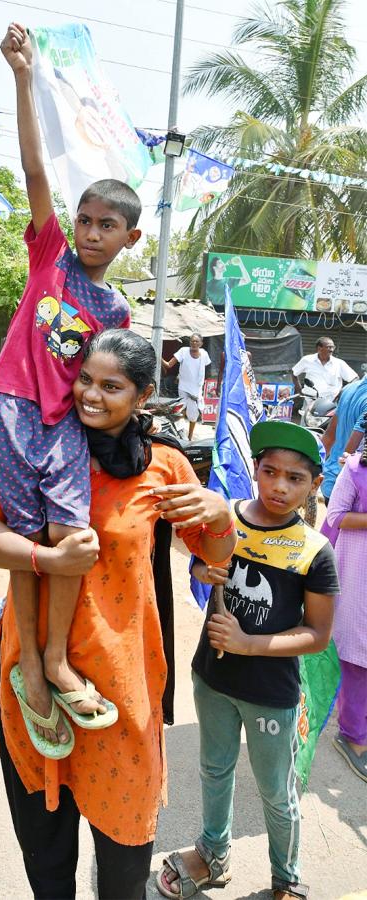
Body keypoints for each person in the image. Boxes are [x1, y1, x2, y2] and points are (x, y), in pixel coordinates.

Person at [0, 329, 237, 900]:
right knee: (47, 864)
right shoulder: (38, 446)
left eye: (112, 386)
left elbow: (213, 554)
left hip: (119, 692)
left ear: (142, 397)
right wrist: (45, 555)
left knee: (123, 871)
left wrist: (219, 513)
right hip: (30, 679)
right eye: (85, 379)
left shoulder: (164, 466)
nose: (91, 394)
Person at [0, 23, 143, 736]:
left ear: (130, 237)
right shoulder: (50, 255)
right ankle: (28, 661)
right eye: (84, 219)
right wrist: (22, 74)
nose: (90, 230)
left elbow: (112, 386)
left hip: (63, 424)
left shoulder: (116, 309)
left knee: (71, 538)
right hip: (13, 407)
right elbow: (34, 170)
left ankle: (54, 658)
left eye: (106, 224)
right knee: (26, 543)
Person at [157, 420, 339, 900]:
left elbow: (318, 635)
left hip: (270, 693)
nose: (280, 486)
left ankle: (286, 877)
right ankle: (213, 854)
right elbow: (197, 560)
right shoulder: (227, 518)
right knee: (214, 770)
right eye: (270, 471)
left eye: (295, 478)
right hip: (212, 677)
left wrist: (251, 644)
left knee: (276, 792)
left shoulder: (314, 551)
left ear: (314, 485)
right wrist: (202, 566)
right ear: (254, 470)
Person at [322, 431, 367, 783]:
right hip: (356, 572)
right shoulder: (354, 469)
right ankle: (352, 737)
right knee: (356, 655)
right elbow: (336, 516)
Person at [321, 374, 367, 503]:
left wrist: (313, 469)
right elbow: (349, 453)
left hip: (330, 482)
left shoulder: (349, 388)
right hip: (351, 491)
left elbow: (329, 436)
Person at [162, 334, 211, 440]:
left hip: (196, 389)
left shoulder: (204, 354)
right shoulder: (183, 351)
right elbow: (168, 365)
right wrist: (158, 355)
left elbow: (205, 368)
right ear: (190, 342)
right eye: (192, 341)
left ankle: (189, 436)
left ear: (201, 343)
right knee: (180, 411)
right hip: (183, 387)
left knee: (193, 415)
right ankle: (181, 434)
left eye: (197, 341)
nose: (194, 343)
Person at [292, 337, 357, 402]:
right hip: (310, 401)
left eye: (333, 347)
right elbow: (294, 373)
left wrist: (343, 392)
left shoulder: (339, 363)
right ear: (319, 348)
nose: (331, 350)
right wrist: (299, 390)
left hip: (331, 403)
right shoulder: (307, 360)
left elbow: (355, 379)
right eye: (329, 347)